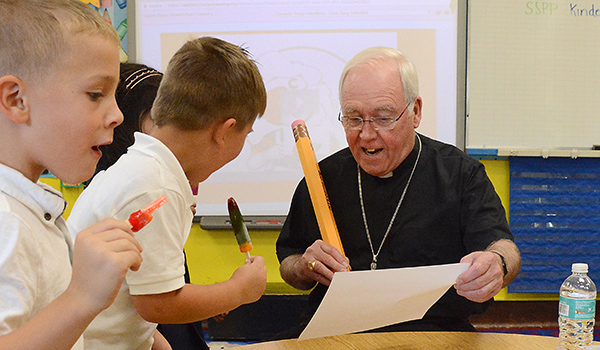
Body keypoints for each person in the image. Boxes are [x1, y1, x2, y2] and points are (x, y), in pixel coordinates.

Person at [276, 47, 521, 337]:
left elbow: (504, 248)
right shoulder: (321, 178)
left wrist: (496, 265)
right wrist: (305, 266)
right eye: (354, 119)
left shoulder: (460, 173)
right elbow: (289, 265)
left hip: (435, 333)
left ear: (415, 112)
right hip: (337, 334)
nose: (366, 135)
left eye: (383, 118)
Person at [67, 36, 268, 350]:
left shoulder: (141, 170)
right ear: (225, 132)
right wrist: (238, 290)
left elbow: (133, 299)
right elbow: (159, 304)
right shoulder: (157, 188)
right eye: (247, 134)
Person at [0, 1, 143, 349]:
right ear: (17, 100)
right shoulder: (6, 220)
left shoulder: (28, 209)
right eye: (95, 94)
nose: (117, 115)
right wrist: (81, 298)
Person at [90, 61, 209, 350]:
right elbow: (157, 304)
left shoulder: (153, 180)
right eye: (161, 118)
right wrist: (234, 292)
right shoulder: (143, 184)